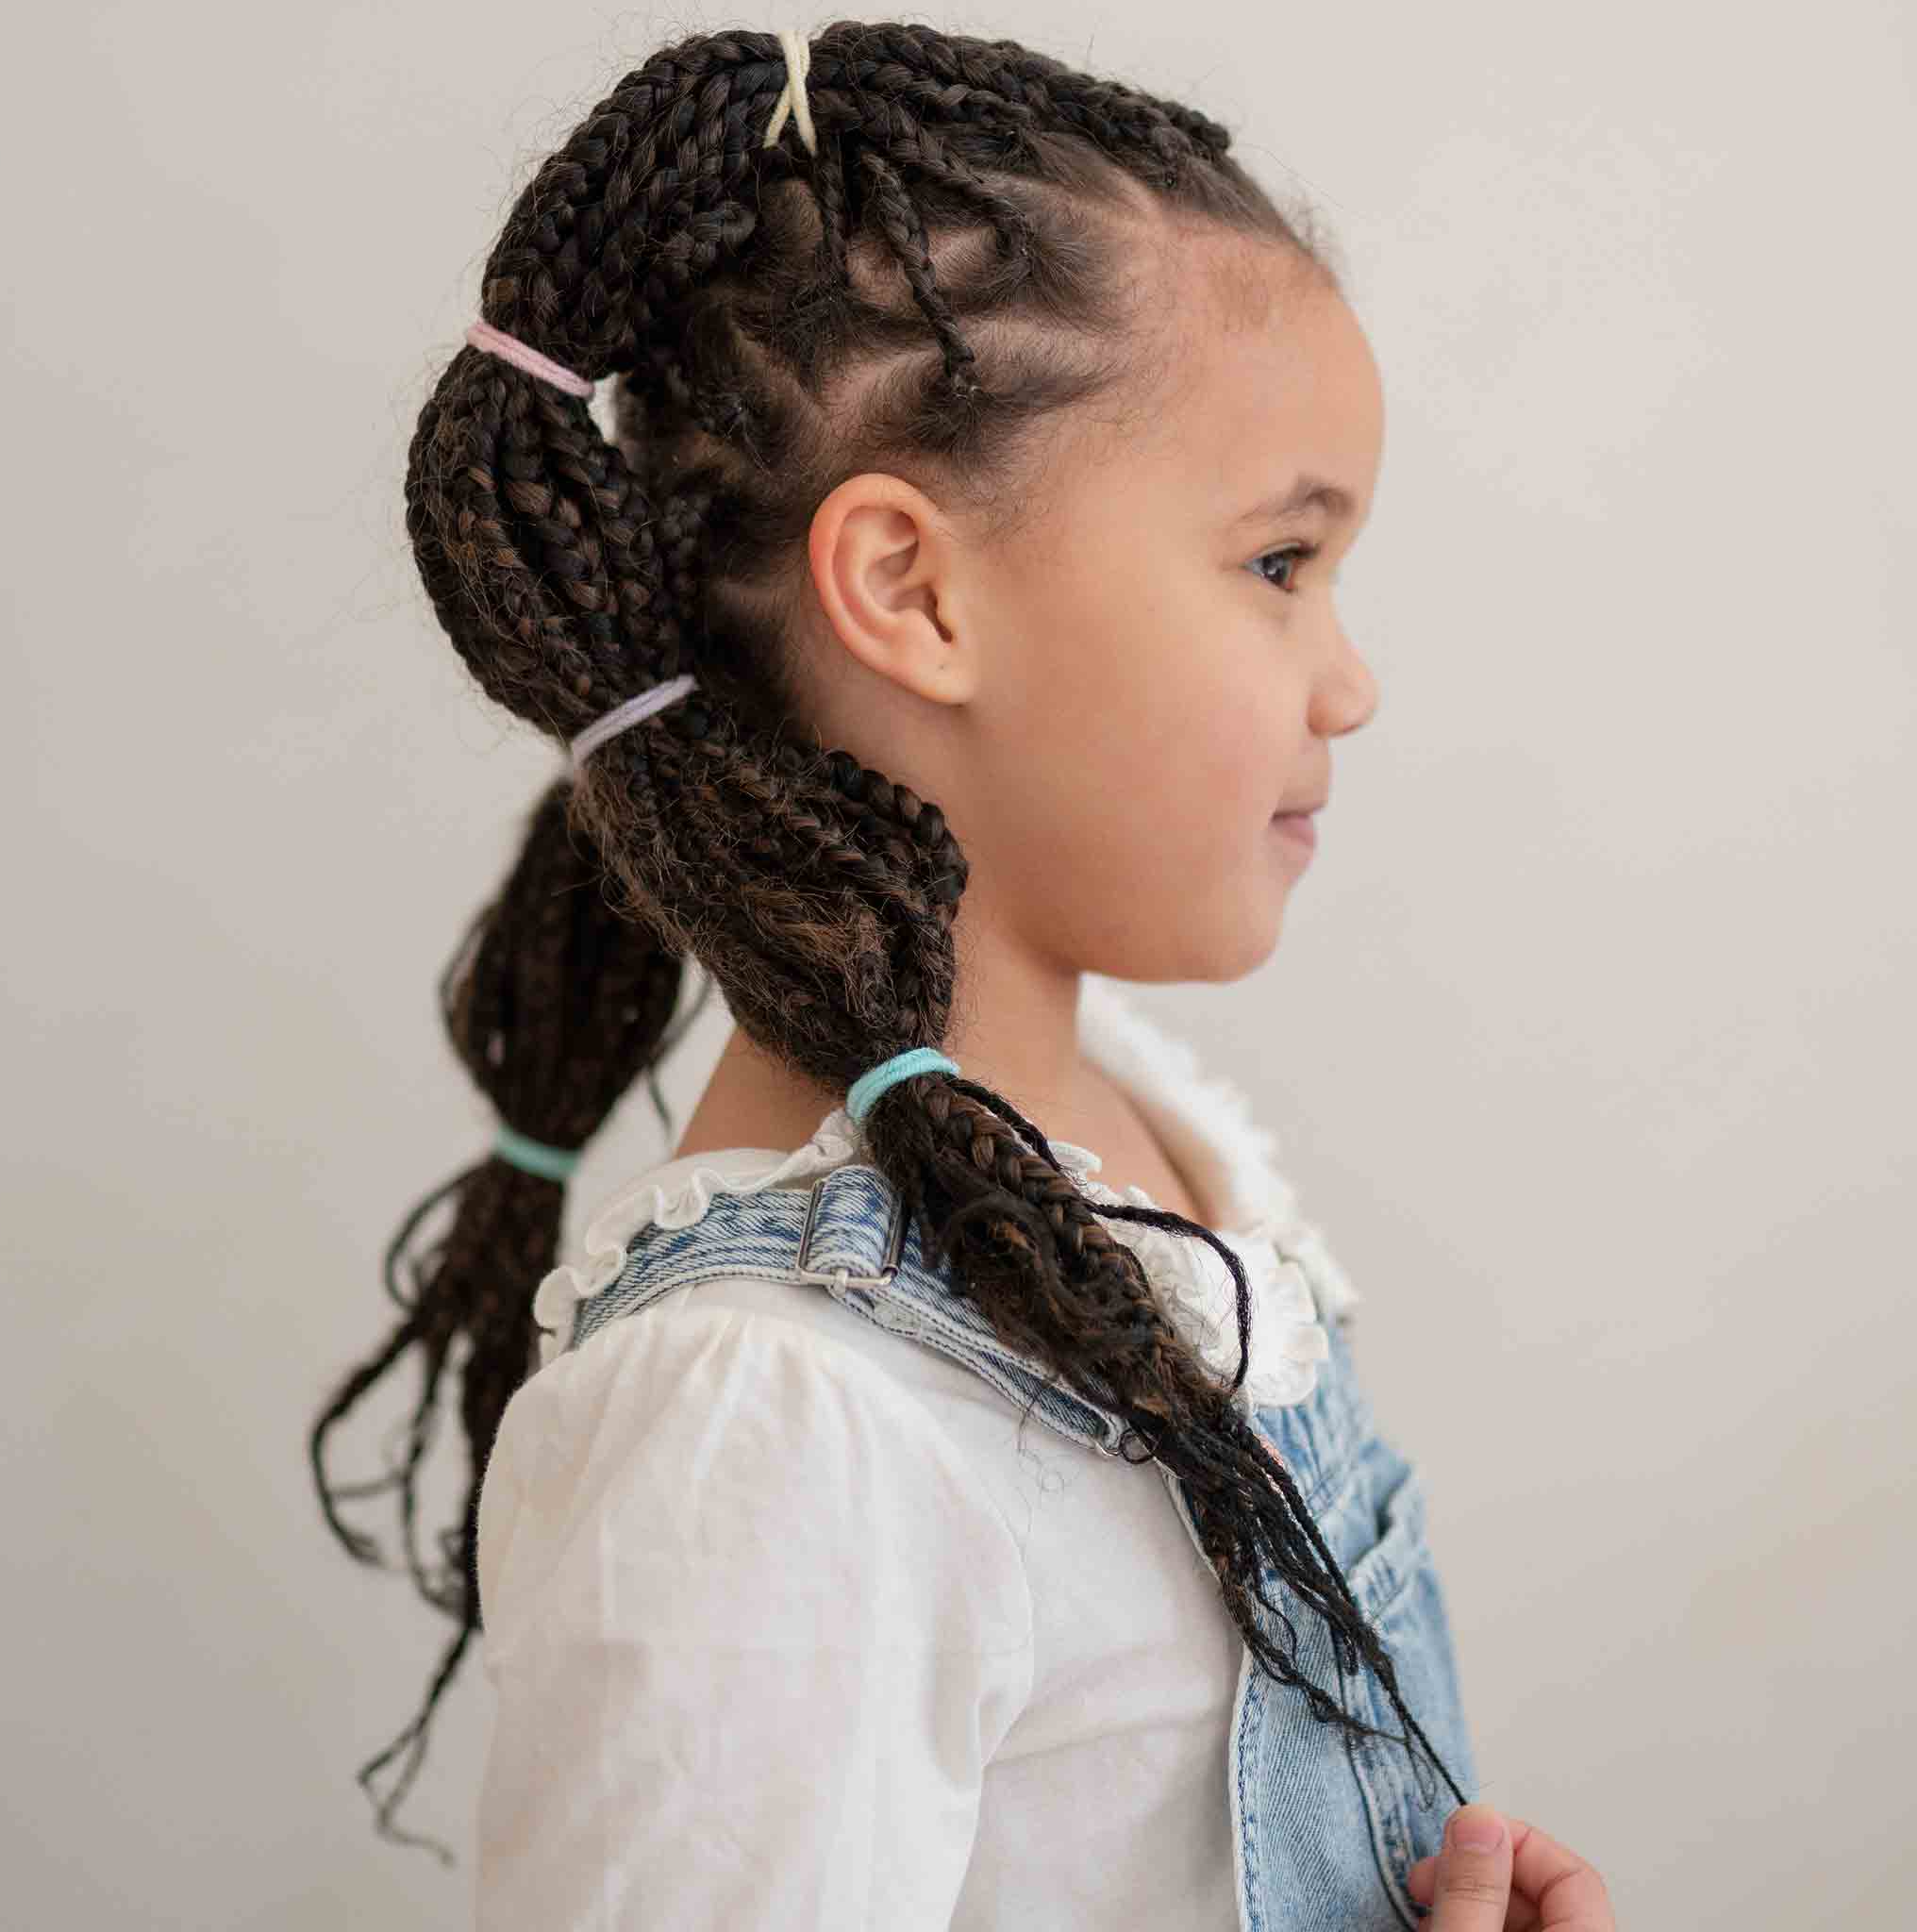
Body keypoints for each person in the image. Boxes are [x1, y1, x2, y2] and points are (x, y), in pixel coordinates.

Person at [309, 21, 1617, 1930]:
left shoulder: (1150, 1145)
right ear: (914, 591)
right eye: (1277, 562)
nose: (1349, 681)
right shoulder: (776, 1418)